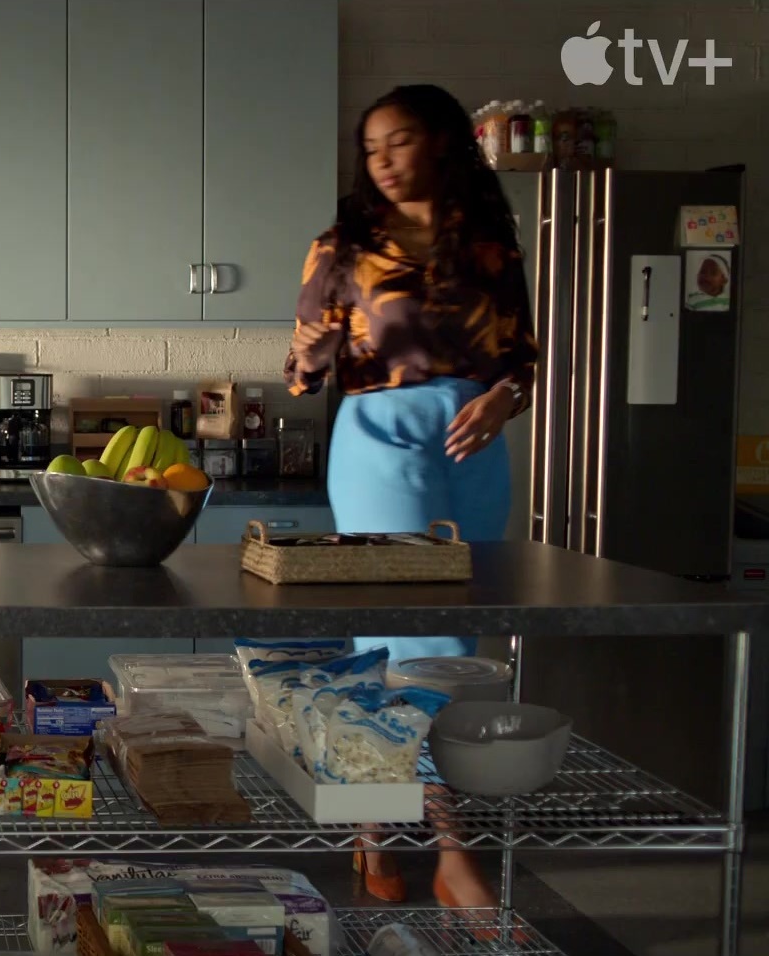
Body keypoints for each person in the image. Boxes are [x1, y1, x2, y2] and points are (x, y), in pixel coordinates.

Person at [283, 85, 540, 926]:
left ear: (441, 143)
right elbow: (302, 370)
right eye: (371, 148)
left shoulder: (489, 242)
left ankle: (371, 824)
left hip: (473, 444)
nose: (383, 161)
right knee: (422, 638)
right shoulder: (344, 246)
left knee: (434, 638)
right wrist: (313, 351)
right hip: (381, 438)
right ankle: (454, 853)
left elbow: (522, 358)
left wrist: (503, 399)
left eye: (398, 141)